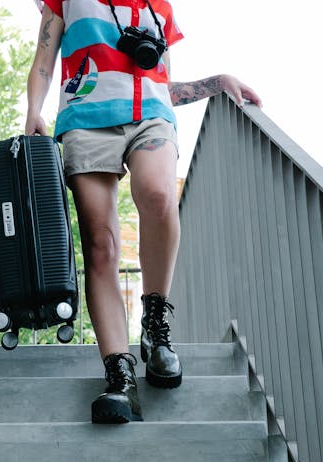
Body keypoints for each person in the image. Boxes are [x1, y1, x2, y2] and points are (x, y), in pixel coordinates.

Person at [26, 0, 261, 424]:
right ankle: (120, 377)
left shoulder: (159, 7)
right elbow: (44, 60)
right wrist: (34, 111)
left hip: (151, 118)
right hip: (85, 118)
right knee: (101, 245)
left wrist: (217, 82)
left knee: (158, 195)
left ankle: (154, 323)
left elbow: (164, 84)